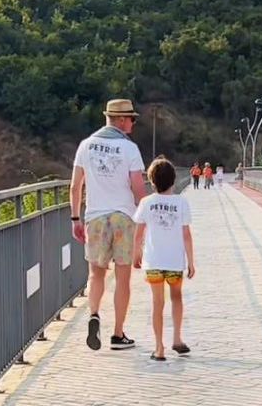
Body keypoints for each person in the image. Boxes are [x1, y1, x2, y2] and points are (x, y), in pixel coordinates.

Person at [70, 98, 146, 352]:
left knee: (96, 273)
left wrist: (75, 218)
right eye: (132, 119)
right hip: (123, 218)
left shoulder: (86, 145)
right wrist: (145, 218)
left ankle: (93, 314)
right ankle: (118, 334)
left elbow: (75, 186)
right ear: (122, 120)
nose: (133, 124)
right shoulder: (129, 149)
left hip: (95, 217)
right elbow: (137, 187)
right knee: (123, 277)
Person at [133, 157, 195, 361]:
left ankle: (159, 348)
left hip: (153, 261)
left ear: (152, 181)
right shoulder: (181, 202)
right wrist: (191, 261)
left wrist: (137, 253)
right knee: (176, 297)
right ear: (174, 180)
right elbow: (186, 234)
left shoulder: (146, 202)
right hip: (175, 261)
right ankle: (177, 339)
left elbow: (139, 232)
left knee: (157, 302)